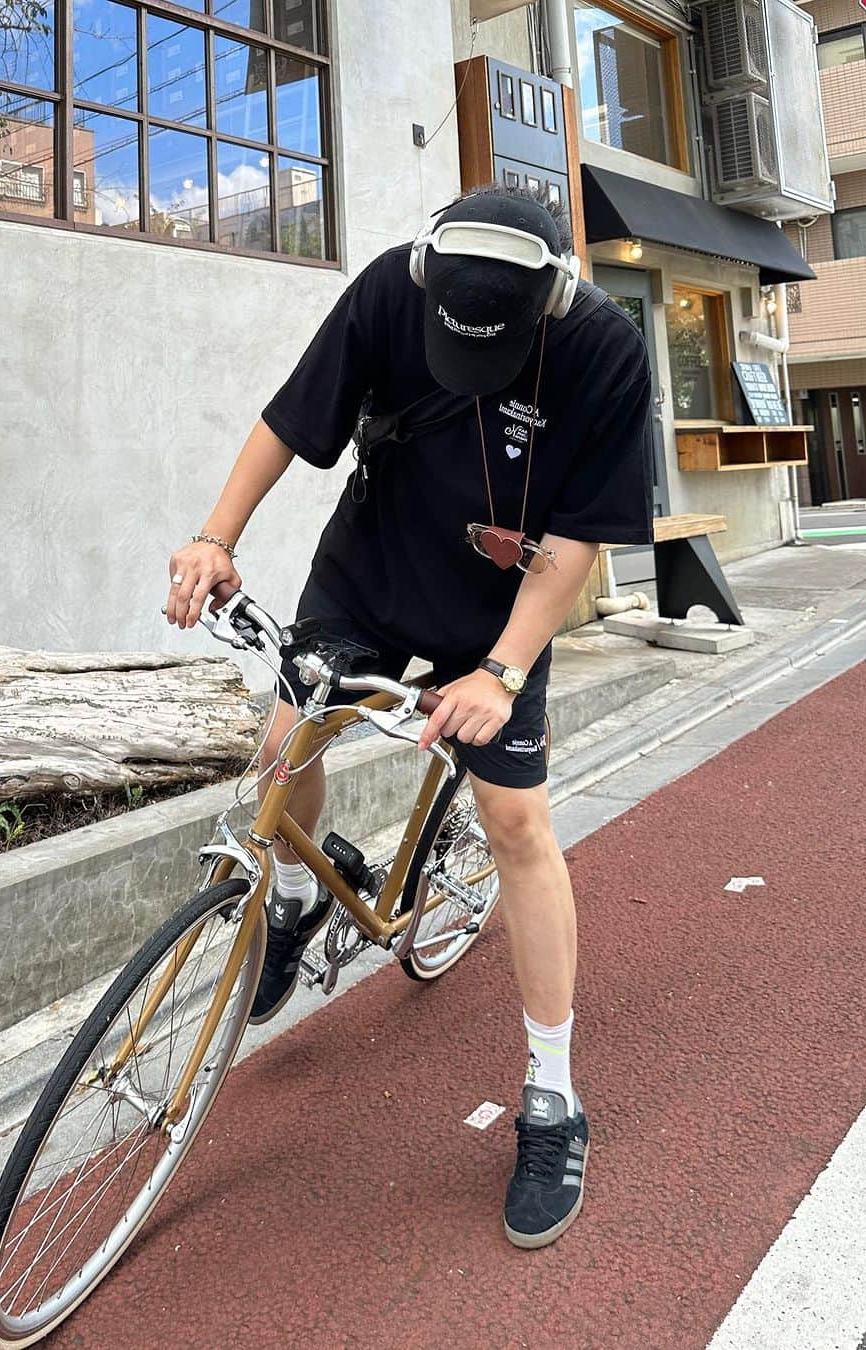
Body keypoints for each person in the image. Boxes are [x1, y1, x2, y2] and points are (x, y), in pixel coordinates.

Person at [166, 182, 653, 1249]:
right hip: (376, 560)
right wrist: (213, 535)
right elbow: (292, 421)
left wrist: (503, 676)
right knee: (286, 732)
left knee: (520, 824)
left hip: (503, 602)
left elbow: (577, 545)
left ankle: (555, 1097)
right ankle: (296, 897)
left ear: (554, 301)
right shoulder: (393, 286)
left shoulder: (605, 349)